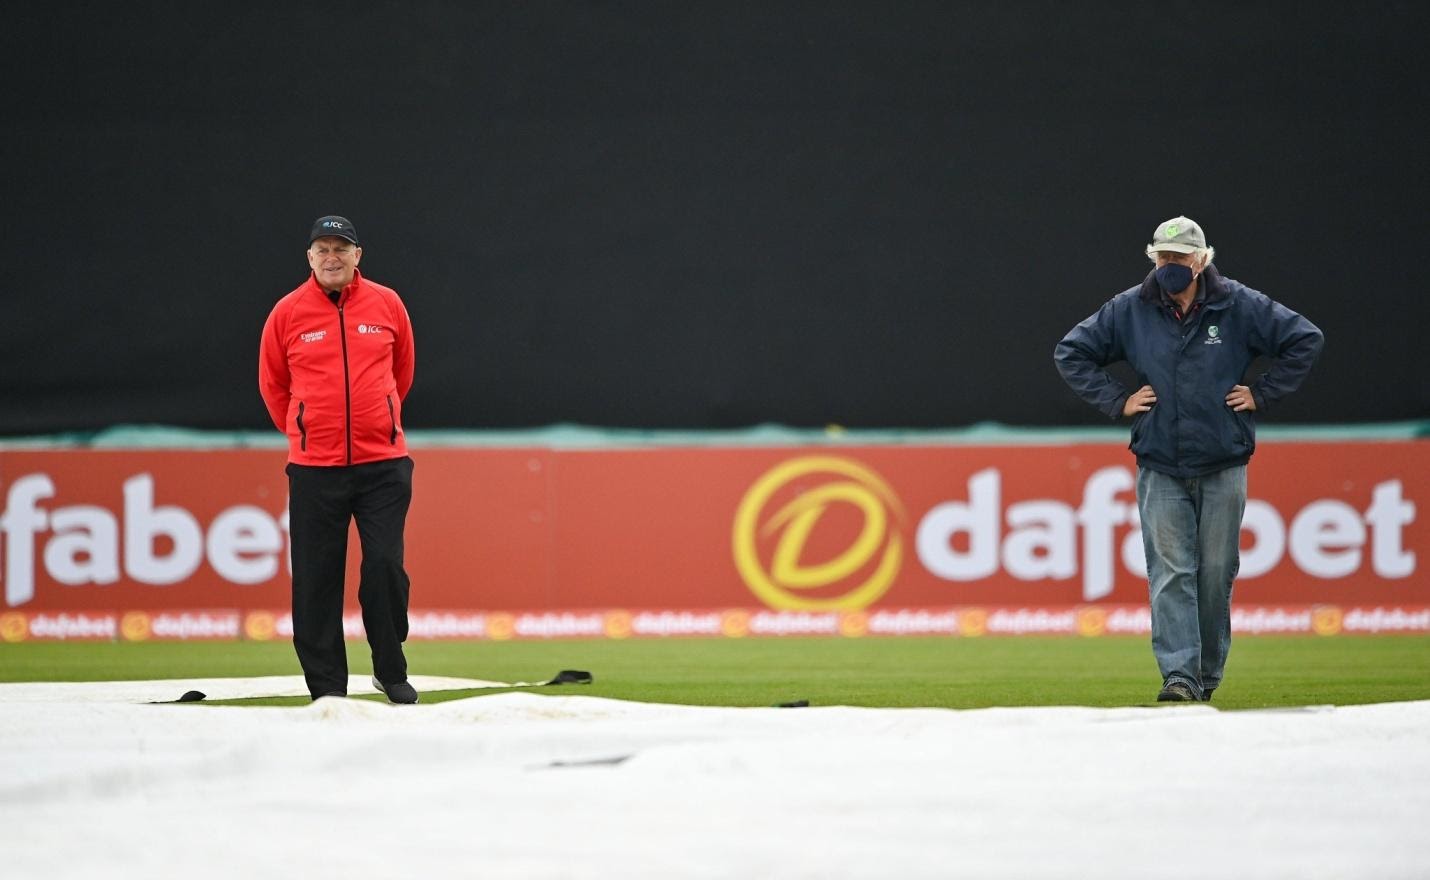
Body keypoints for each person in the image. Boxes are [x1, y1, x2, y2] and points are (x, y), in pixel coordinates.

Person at [1054, 216, 1323, 703]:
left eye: (1179, 258)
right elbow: (1072, 352)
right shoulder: (1130, 309)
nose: (1170, 266)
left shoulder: (1238, 304)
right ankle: (1179, 676)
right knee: (1171, 570)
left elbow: (1304, 339)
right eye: (1163, 258)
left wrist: (1263, 393)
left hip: (1223, 457)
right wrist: (1119, 401)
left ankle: (1206, 673)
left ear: (1202, 260)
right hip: (1159, 458)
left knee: (1216, 570)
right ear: (1152, 259)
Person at [259, 215, 420, 704]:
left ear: (358, 255)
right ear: (309, 257)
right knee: (316, 578)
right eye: (323, 249)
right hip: (315, 469)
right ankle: (327, 687)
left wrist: (381, 419)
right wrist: (307, 430)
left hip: (383, 465)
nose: (332, 257)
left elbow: (403, 372)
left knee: (385, 567)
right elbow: (274, 385)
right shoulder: (287, 313)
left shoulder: (387, 303)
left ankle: (390, 669)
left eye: (341, 249)